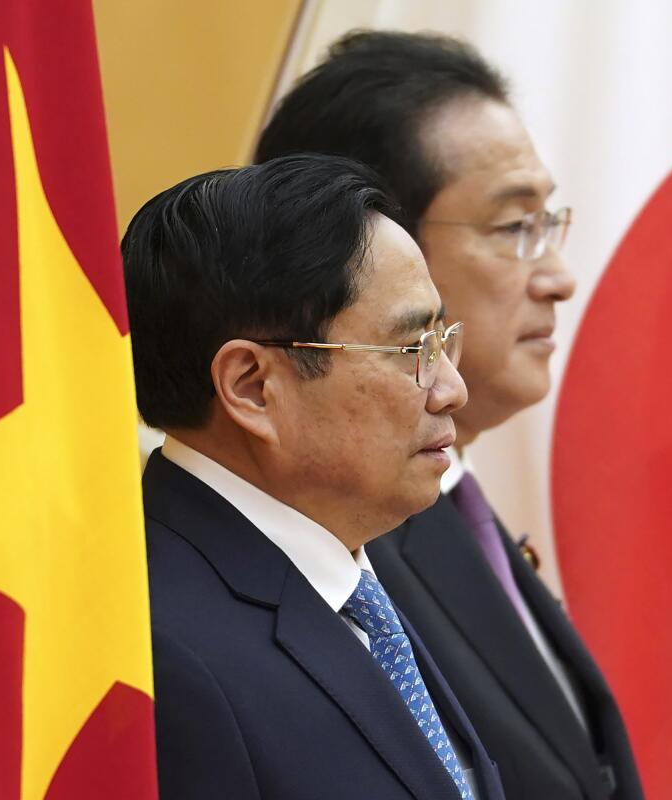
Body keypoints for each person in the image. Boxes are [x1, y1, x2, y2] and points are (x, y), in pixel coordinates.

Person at [255, 31, 643, 800]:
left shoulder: (443, 499)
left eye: (549, 223)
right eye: (513, 229)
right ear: (369, 246)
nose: (560, 278)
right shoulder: (331, 547)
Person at [123, 153, 502, 800]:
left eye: (444, 342)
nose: (453, 389)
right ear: (252, 388)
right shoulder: (166, 660)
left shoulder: (362, 578)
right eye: (413, 350)